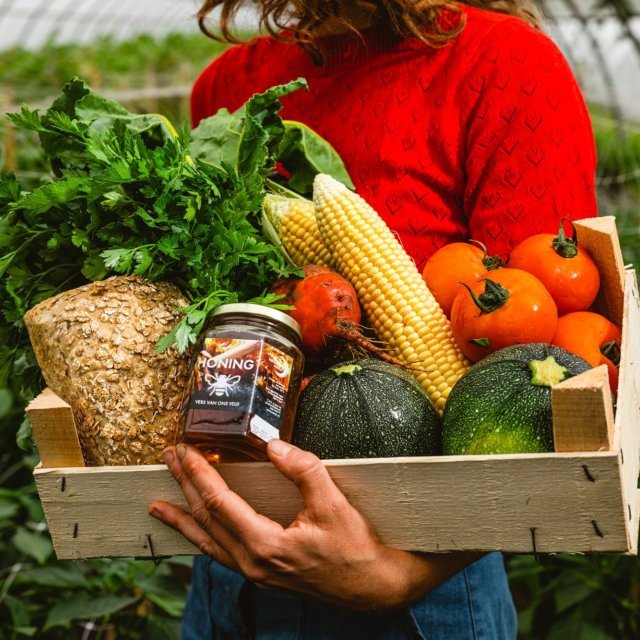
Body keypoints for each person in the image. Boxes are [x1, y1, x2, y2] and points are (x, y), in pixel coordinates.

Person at [149, 1, 598, 638]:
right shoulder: (226, 87)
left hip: (423, 574)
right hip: (231, 562)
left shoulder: (502, 64)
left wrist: (396, 578)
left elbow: (538, 393)